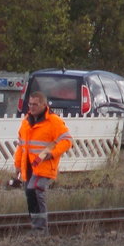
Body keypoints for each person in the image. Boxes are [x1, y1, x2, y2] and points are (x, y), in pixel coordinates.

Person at [14, 91, 73, 232]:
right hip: (29, 167)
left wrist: (52, 153)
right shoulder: (26, 121)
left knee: (35, 190)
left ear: (44, 105)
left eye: (35, 104)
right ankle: (36, 227)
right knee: (30, 194)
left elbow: (67, 141)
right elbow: (21, 146)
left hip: (44, 166)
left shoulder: (54, 121)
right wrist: (17, 165)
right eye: (30, 104)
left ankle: (40, 229)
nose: (31, 107)